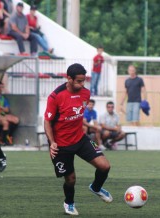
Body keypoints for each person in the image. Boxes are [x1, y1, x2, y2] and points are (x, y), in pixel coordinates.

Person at [44, 63, 112, 216]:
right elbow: (47, 121)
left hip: (81, 139)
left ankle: (96, 187)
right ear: (69, 79)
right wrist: (52, 143)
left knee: (105, 166)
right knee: (71, 179)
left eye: (84, 81)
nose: (82, 84)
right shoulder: (56, 97)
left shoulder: (85, 94)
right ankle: (69, 203)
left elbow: (77, 116)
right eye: (79, 81)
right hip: (61, 145)